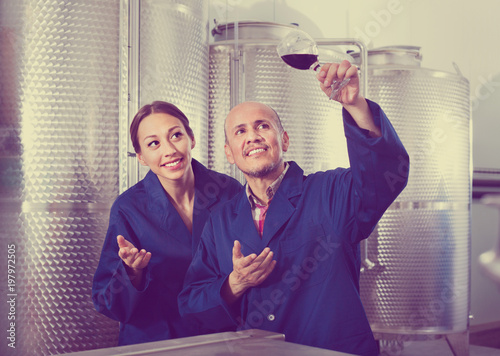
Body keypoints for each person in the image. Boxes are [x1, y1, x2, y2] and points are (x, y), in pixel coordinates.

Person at [178, 60, 409, 355]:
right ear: (229, 154)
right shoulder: (220, 221)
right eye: (240, 131)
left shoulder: (331, 191)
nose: (252, 136)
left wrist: (355, 105)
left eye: (263, 126)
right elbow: (192, 304)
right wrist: (234, 284)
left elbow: (388, 175)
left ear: (284, 139)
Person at [92, 101, 242, 346]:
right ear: (141, 157)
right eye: (154, 143)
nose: (170, 149)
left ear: (191, 138)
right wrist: (132, 273)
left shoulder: (228, 191)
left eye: (176, 135)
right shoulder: (128, 208)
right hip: (155, 341)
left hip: (218, 337)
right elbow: (107, 303)